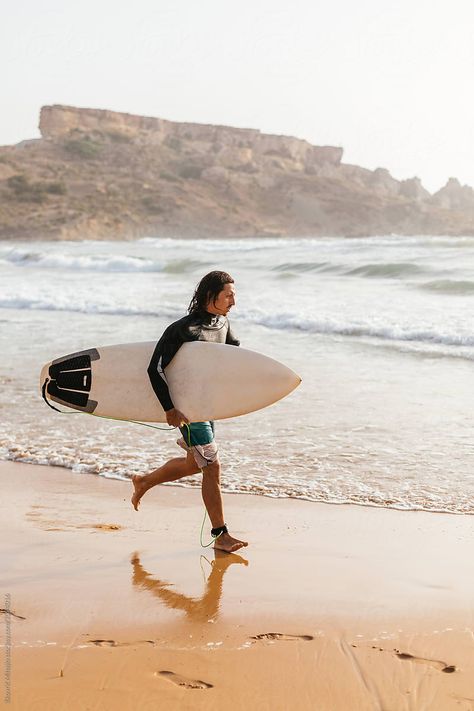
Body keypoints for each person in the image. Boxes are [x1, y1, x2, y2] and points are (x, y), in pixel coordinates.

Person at [131, 271, 248, 554]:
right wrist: (169, 408)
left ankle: (144, 481)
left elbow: (231, 357)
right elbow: (155, 368)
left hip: (207, 406)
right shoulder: (183, 330)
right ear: (211, 297)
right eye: (228, 295)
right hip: (187, 409)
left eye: (233, 294)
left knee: (195, 464)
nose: (234, 300)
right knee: (212, 465)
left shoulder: (223, 324)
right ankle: (221, 535)